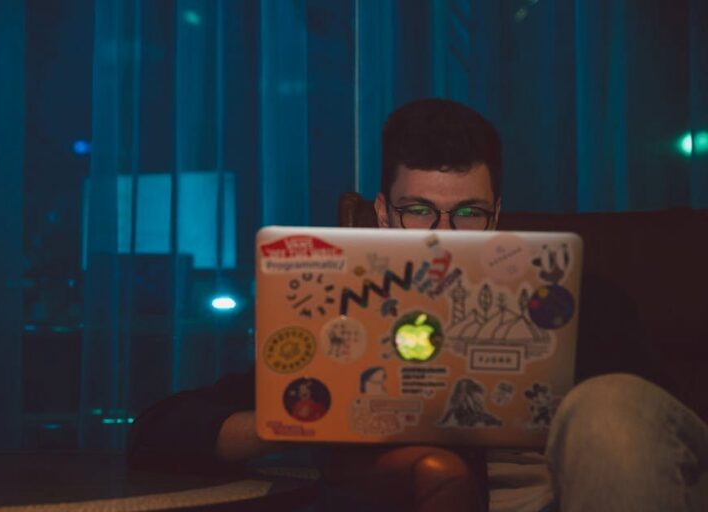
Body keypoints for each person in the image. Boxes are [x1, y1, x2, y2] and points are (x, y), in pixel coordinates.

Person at [127, 99, 708, 511]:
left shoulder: (584, 297)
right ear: (383, 212)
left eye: (469, 214)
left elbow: (667, 434)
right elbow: (159, 430)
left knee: (610, 407)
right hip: (448, 493)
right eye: (419, 210)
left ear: (496, 214)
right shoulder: (348, 315)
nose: (444, 232)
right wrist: (293, 420)